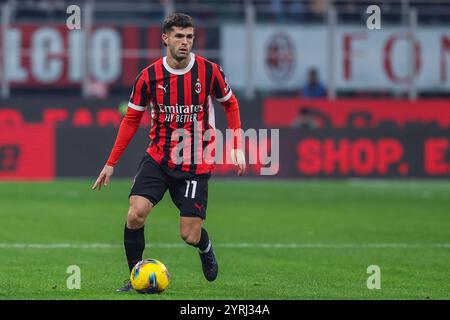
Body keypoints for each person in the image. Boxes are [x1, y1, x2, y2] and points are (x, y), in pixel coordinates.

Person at [91, 13, 246, 292]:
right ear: (165, 38)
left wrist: (236, 145)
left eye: (189, 36)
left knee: (189, 234)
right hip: (159, 158)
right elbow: (131, 120)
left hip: (194, 163)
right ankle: (135, 276)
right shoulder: (148, 77)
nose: (184, 42)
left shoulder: (209, 71)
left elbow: (230, 104)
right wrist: (111, 163)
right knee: (135, 214)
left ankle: (205, 246)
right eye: (178, 36)